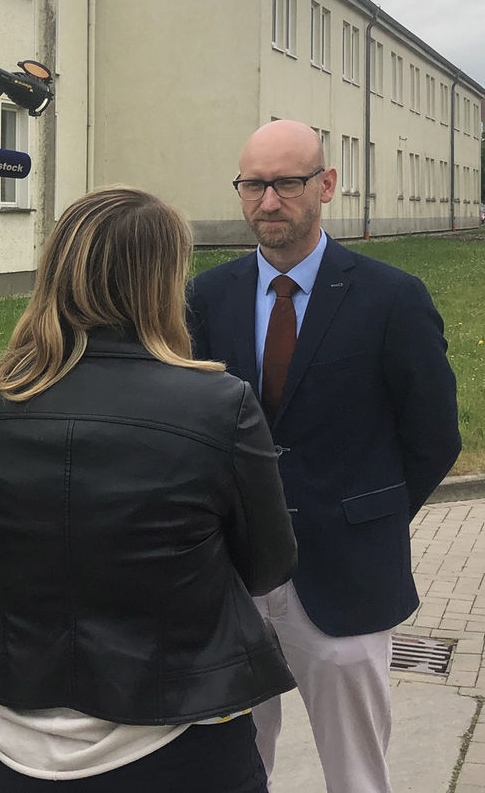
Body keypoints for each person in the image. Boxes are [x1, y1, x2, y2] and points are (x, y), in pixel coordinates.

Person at [0, 186, 299, 792]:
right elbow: (268, 564)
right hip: (180, 729)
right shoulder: (218, 404)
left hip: (14, 731)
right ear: (162, 281)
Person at [186, 120, 462, 791]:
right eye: (253, 185)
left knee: (357, 771)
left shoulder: (391, 297)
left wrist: (369, 514)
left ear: (326, 185)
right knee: (232, 765)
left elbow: (434, 436)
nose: (268, 202)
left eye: (286, 183)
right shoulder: (207, 297)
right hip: (232, 575)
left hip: (345, 574)